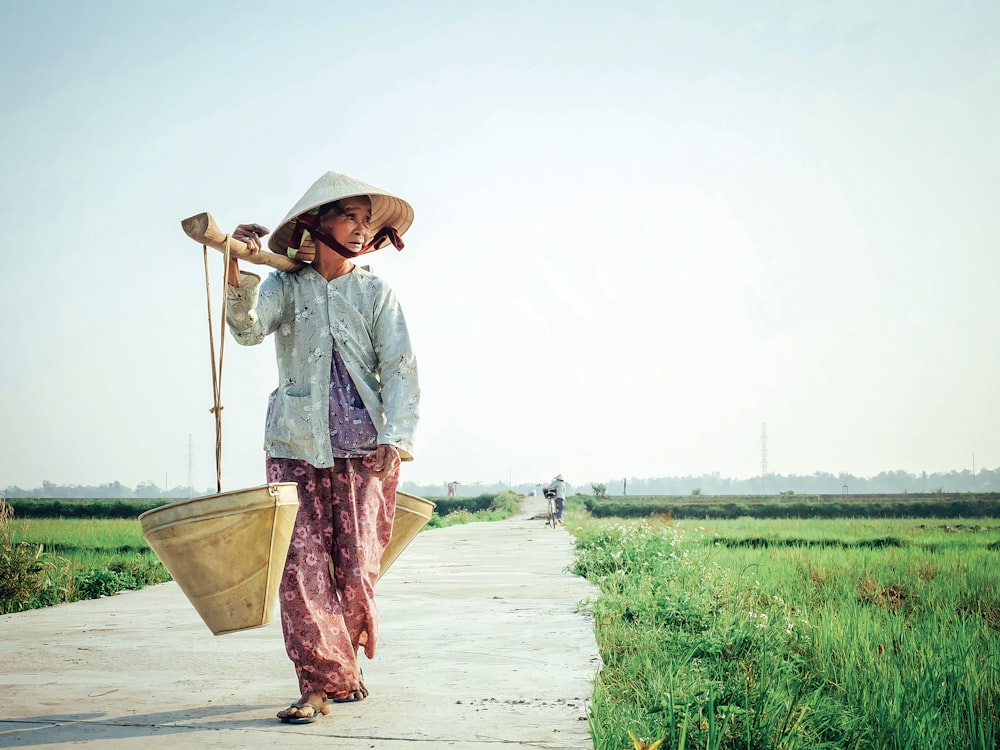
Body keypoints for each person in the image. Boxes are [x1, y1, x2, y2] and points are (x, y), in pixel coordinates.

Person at [224, 171, 420, 724]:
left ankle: (344, 667)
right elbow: (246, 330)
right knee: (301, 570)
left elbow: (400, 367)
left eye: (366, 220)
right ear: (318, 223)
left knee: (355, 569)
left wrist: (395, 439)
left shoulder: (374, 292)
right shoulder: (285, 286)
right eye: (349, 217)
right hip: (295, 445)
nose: (360, 229)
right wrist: (237, 263)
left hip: (362, 448)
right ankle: (315, 685)